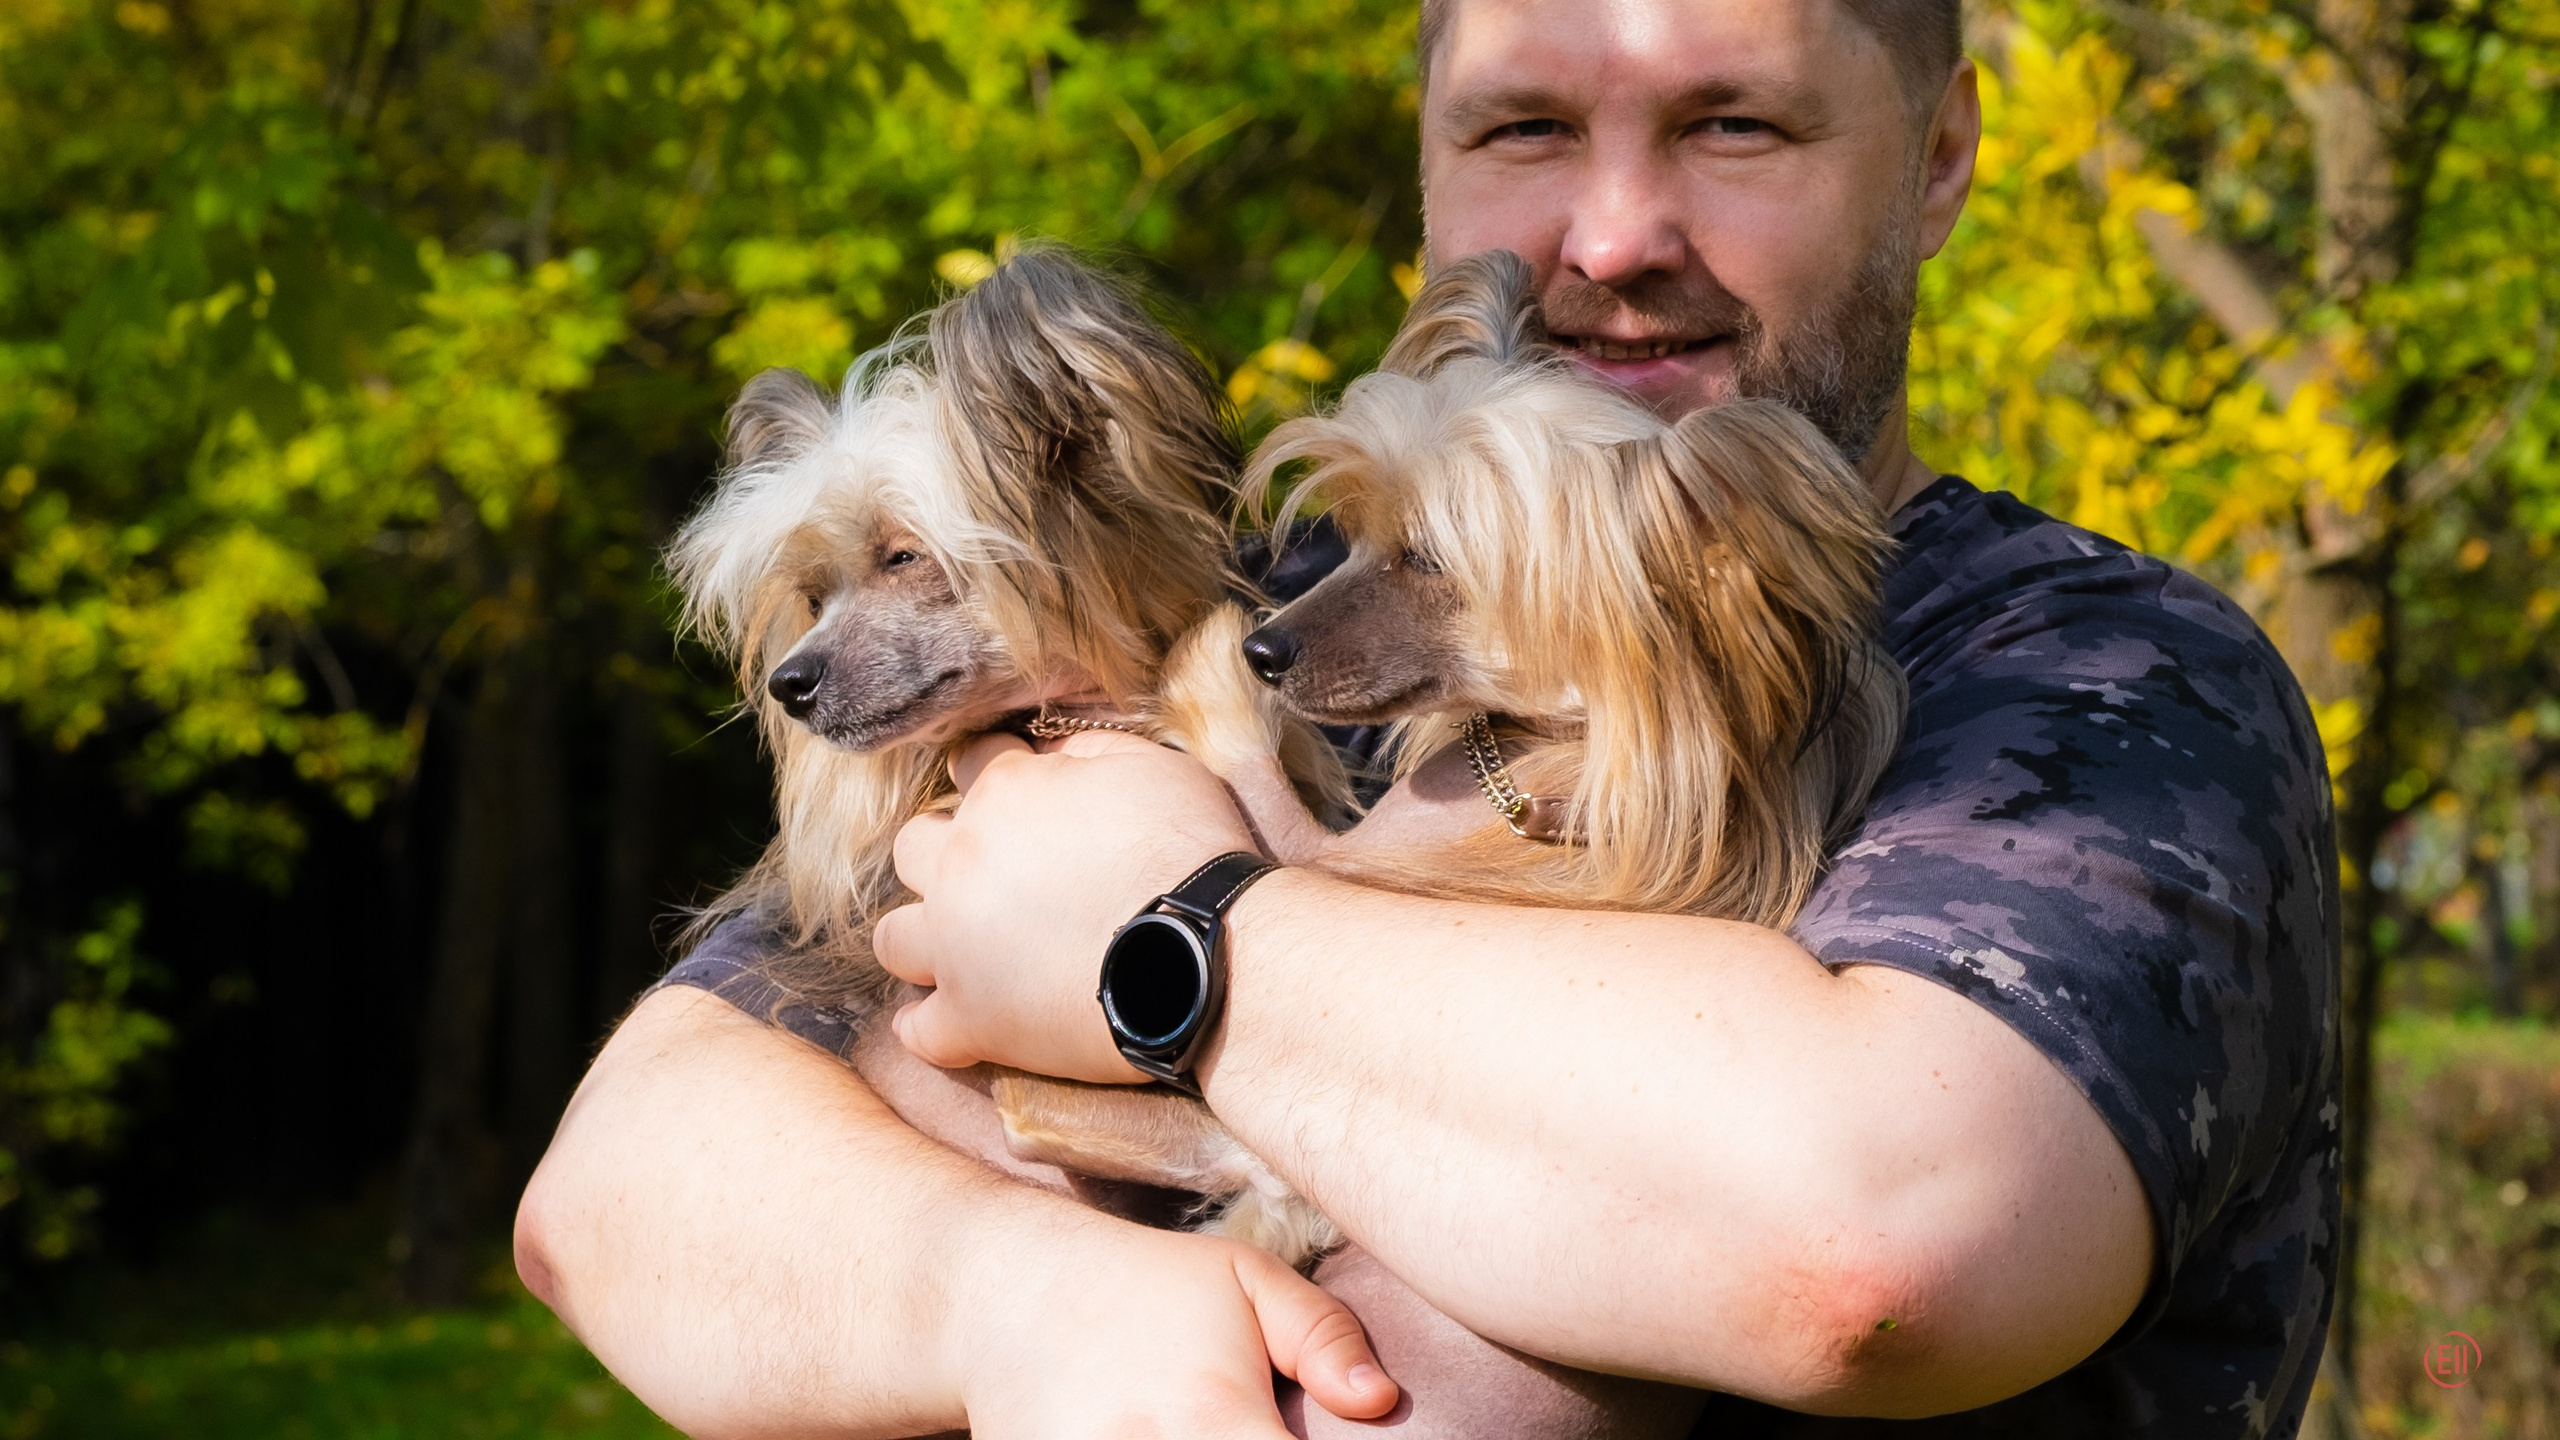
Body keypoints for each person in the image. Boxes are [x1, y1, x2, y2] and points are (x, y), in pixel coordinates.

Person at [514, 0, 2341, 1435]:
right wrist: (1014, 1298)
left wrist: (1179, 937)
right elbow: (616, 1195)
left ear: (1937, 159)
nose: (1613, 235)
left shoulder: (2096, 686)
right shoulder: (1254, 615)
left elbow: (1872, 1249)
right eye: (1524, 127)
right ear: (1425, 165)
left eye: (1734, 123)